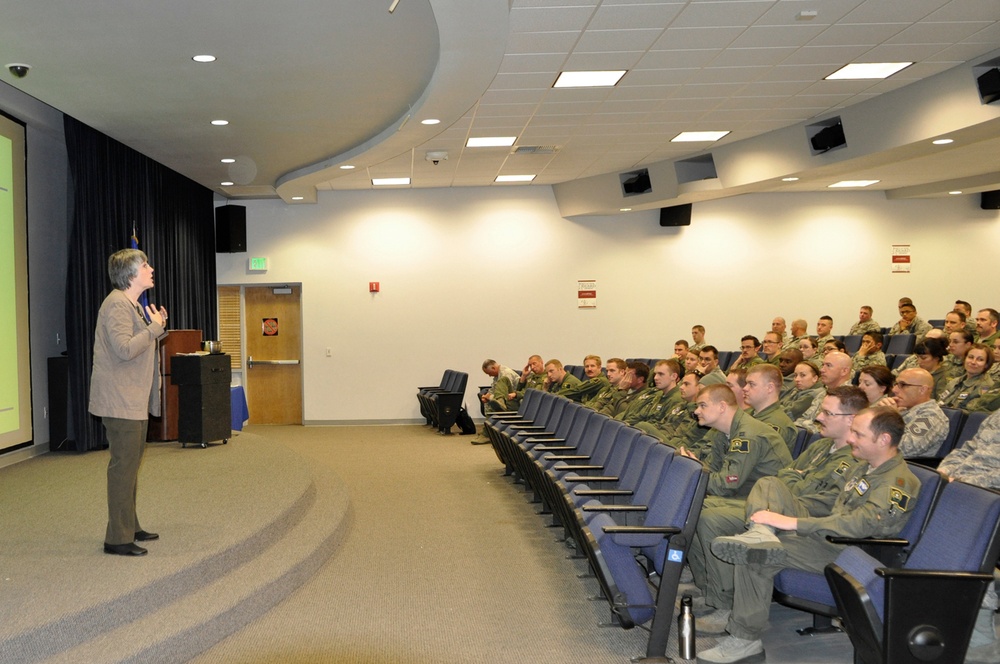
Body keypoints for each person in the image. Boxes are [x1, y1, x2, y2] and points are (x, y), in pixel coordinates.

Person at [699, 407, 921, 664]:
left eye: (858, 435)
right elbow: (833, 509)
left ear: (883, 439)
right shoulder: (866, 467)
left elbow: (859, 526)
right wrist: (792, 517)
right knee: (769, 486)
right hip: (826, 535)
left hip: (847, 552)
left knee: (755, 554)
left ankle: (745, 640)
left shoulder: (898, 482)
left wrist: (793, 522)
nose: (850, 440)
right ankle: (760, 534)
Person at [689, 386, 867, 636]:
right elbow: (785, 476)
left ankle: (726, 603)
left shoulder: (856, 458)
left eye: (827, 413)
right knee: (698, 508)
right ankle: (712, 591)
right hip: (772, 504)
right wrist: (795, 480)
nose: (818, 417)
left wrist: (795, 481)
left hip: (801, 520)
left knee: (710, 517)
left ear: (851, 419)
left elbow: (818, 501)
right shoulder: (820, 447)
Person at [89, 248, 168, 557]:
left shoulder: (130, 305)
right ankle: (117, 538)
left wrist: (156, 328)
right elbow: (124, 349)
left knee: (131, 466)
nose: (151, 268)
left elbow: (140, 346)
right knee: (123, 468)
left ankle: (129, 525)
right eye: (145, 265)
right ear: (131, 274)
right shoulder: (117, 306)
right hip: (120, 401)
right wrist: (153, 330)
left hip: (131, 399)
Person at [938, 409, 1000, 657]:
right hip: (967, 485)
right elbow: (967, 449)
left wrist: (967, 482)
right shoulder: (997, 415)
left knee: (958, 535)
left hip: (987, 491)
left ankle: (979, 628)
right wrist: (945, 473)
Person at [677, 384, 792, 498]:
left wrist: (695, 471)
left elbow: (727, 485)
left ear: (722, 407)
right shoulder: (723, 431)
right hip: (745, 494)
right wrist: (696, 468)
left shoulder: (748, 436)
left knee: (695, 510)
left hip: (767, 502)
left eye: (703, 405)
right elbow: (713, 469)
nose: (696, 411)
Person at [892, 367, 949, 457]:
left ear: (922, 390)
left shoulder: (931, 416)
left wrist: (889, 417)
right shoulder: (903, 408)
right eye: (896, 384)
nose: (894, 390)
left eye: (902, 385)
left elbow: (903, 449)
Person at [794, 351, 854, 433]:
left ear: (844, 371)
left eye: (828, 365)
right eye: (823, 365)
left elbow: (829, 430)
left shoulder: (849, 398)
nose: (822, 370)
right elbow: (806, 418)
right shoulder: (824, 393)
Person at [742, 364, 796, 454]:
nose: (745, 388)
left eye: (751, 384)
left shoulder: (778, 424)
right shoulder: (746, 414)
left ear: (770, 388)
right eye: (746, 383)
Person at [938, 343, 995, 410]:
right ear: (965, 359)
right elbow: (941, 401)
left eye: (980, 359)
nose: (973, 362)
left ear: (987, 364)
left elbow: (971, 412)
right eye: (970, 357)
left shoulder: (986, 387)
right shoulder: (955, 381)